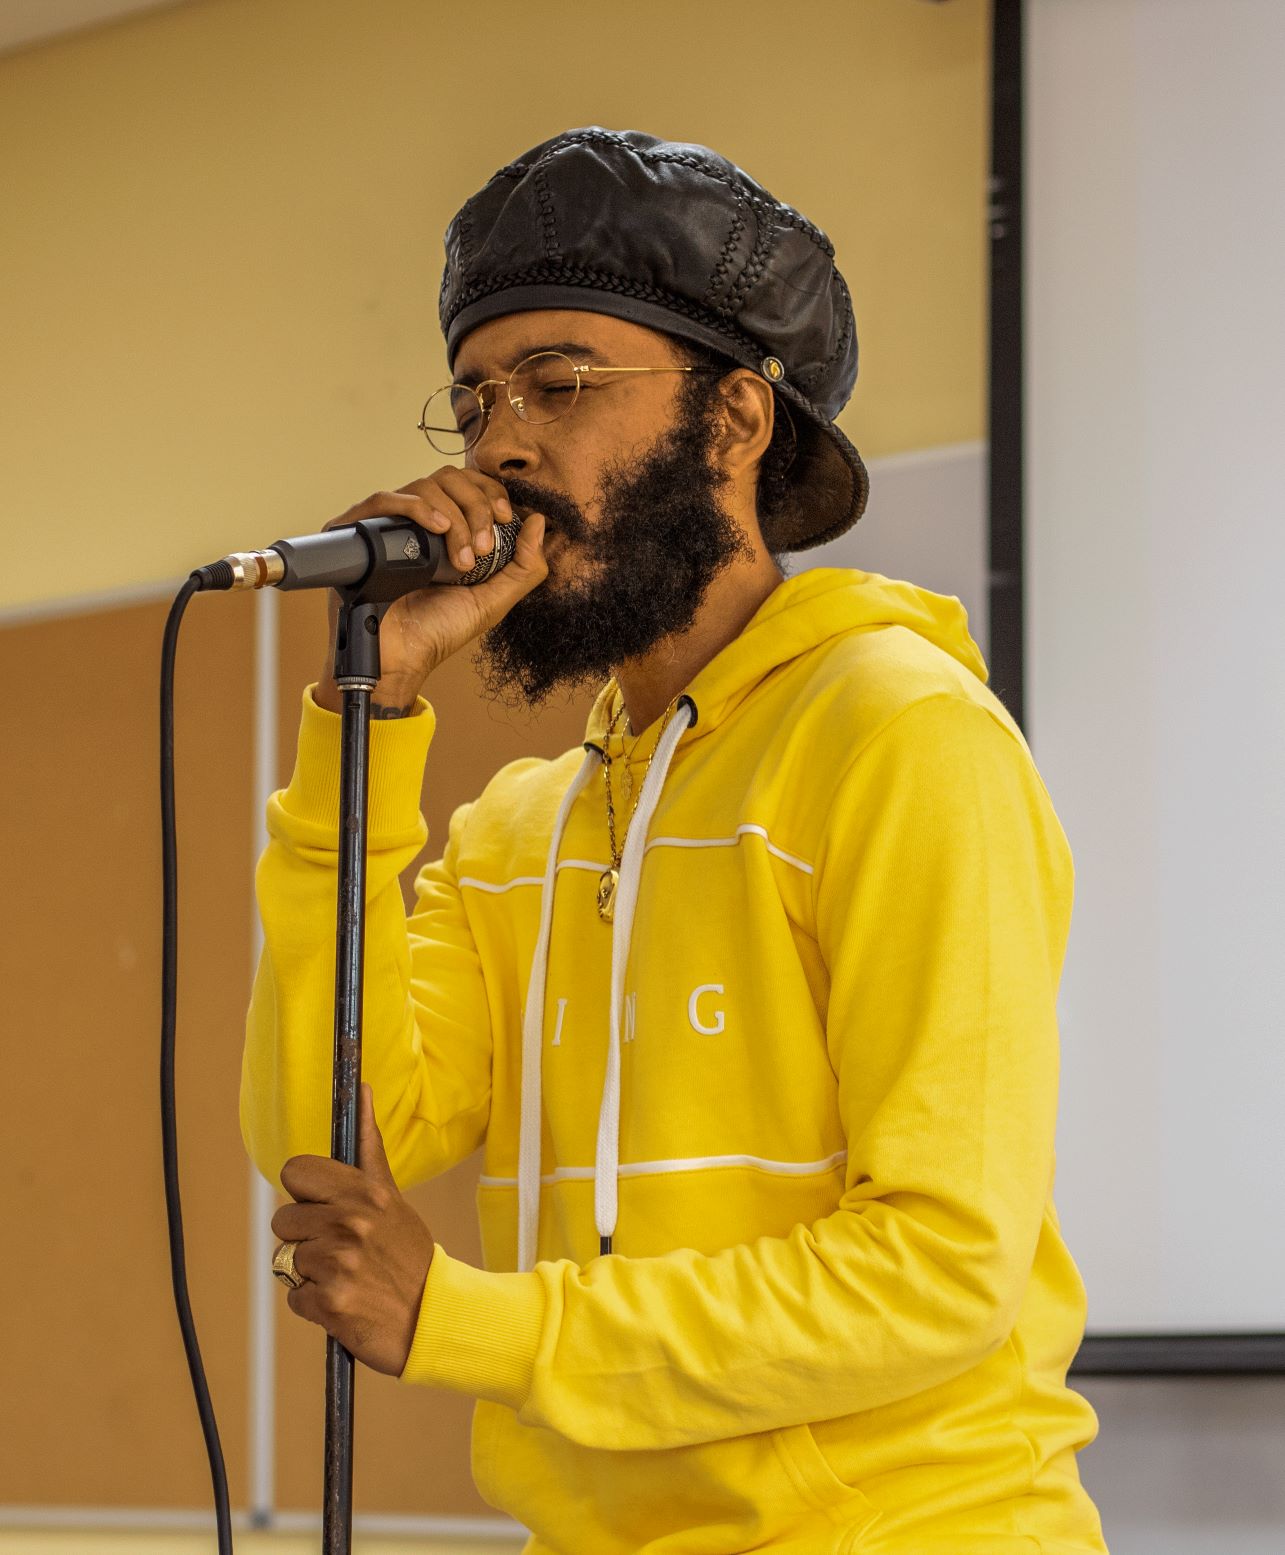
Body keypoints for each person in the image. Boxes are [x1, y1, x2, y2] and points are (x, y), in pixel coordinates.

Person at [241, 128, 1110, 1554]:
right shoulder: (521, 828)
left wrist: (472, 1321)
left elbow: (940, 1270)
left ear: (735, 422)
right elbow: (331, 1148)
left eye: (562, 385)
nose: (502, 442)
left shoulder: (898, 736)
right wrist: (361, 719)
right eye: (475, 398)